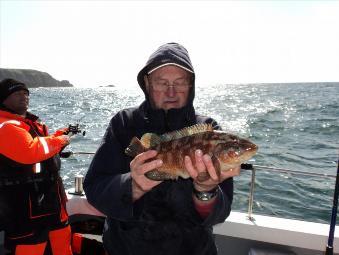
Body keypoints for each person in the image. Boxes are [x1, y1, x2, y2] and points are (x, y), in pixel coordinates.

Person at [83, 42, 241, 255]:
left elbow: (219, 214)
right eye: (162, 83)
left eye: (180, 82)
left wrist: (206, 190)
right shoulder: (123, 124)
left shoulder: (209, 132)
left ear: (191, 85)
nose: (171, 92)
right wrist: (133, 185)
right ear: (147, 83)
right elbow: (95, 188)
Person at [0, 78, 73, 255]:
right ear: (3, 99)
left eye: (26, 93)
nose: (24, 96)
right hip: (23, 209)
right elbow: (30, 151)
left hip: (51, 203)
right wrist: (61, 139)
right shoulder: (4, 126)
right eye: (17, 93)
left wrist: (58, 135)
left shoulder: (31, 124)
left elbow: (41, 145)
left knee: (62, 243)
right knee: (30, 248)